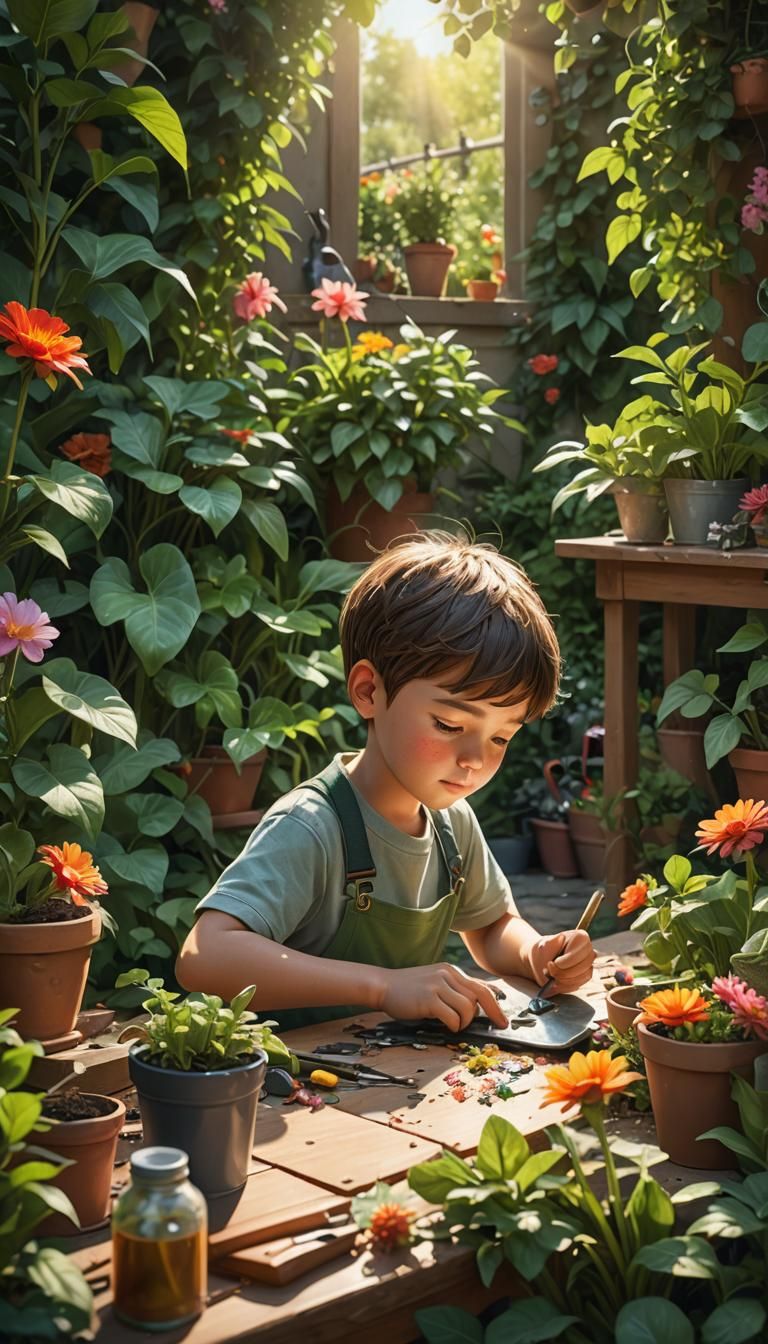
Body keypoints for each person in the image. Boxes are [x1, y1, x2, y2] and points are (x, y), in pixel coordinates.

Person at [176, 533, 595, 1031]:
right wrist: (383, 986)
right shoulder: (311, 825)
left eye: (502, 737)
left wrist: (535, 954)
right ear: (369, 691)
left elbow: (491, 926)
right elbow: (203, 958)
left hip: (394, 1088)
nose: (474, 760)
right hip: (297, 1083)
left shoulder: (451, 824)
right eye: (449, 726)